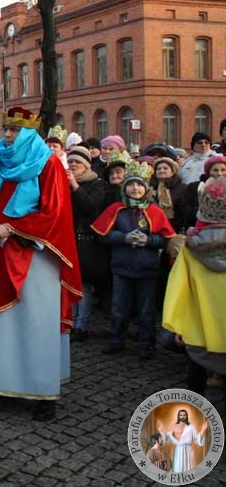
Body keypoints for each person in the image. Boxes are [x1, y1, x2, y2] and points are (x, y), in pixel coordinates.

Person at [0, 107, 81, 421]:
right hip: (0, 250)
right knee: (1, 321)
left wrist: (13, 228)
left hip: (36, 254)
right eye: (6, 129)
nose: (7, 135)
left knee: (36, 321)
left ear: (29, 133)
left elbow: (54, 213)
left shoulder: (49, 164)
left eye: (14, 130)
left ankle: (43, 391)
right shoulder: (0, 161)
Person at [91, 162, 175, 359]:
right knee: (119, 308)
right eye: (130, 185)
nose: (135, 188)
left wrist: (148, 240)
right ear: (124, 188)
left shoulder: (155, 210)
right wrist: (124, 238)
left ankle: (147, 344)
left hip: (147, 269)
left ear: (145, 188)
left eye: (139, 185)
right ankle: (116, 340)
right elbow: (103, 235)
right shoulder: (116, 209)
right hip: (121, 268)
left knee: (146, 310)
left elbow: (166, 239)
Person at [163, 176, 226, 395]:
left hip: (199, 324)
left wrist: (180, 326)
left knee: (196, 372)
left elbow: (180, 289)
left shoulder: (189, 247)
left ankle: (197, 409)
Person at [65, 146, 107, 342]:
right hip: (70, 238)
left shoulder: (97, 183)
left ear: (86, 165)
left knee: (84, 285)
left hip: (87, 241)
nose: (73, 165)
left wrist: (75, 186)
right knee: (70, 282)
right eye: (70, 161)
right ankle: (71, 321)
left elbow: (91, 206)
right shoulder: (65, 182)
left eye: (77, 162)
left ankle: (82, 325)